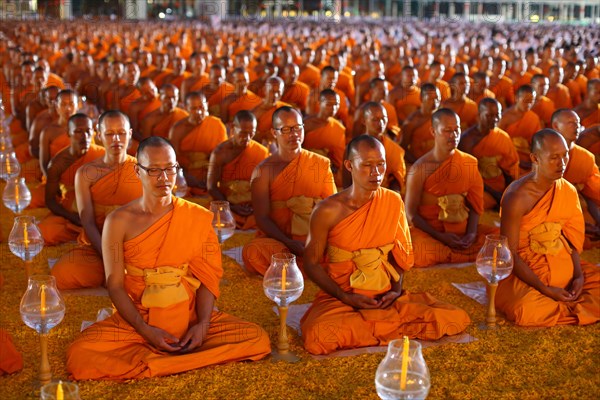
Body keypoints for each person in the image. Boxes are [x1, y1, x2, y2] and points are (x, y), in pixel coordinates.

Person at [66, 136, 271, 380]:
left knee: (257, 338)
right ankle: (171, 358)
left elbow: (207, 278)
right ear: (137, 170)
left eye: (170, 169)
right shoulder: (118, 221)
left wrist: (203, 325)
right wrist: (145, 330)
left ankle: (156, 362)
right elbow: (115, 285)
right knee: (80, 355)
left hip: (188, 314)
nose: (164, 178)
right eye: (154, 170)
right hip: (139, 318)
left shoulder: (196, 216)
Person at [300, 135, 471, 355]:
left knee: (454, 318)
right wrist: (344, 296)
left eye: (381, 164)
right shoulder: (327, 210)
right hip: (342, 296)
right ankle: (386, 327)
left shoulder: (392, 201)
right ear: (350, 165)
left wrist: (396, 290)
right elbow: (311, 262)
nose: (376, 172)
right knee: (319, 336)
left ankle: (378, 325)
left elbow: (398, 254)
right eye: (367, 165)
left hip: (383, 296)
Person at [496, 129, 600, 326]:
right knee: (525, 310)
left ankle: (566, 294)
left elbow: (569, 239)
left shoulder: (567, 190)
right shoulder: (516, 197)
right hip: (526, 273)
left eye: (564, 155)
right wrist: (545, 289)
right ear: (535, 158)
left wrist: (578, 276)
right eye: (554, 157)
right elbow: (510, 254)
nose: (562, 164)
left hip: (562, 262)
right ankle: (555, 299)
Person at [51, 111, 143, 290]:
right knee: (61, 274)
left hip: (136, 246)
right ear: (99, 136)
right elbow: (88, 223)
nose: (116, 139)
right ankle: (118, 278)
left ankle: (122, 278)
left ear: (130, 134)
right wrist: (110, 258)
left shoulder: (142, 170)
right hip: (99, 245)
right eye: (109, 134)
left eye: (121, 133)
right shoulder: (86, 174)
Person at [242, 106, 336, 275]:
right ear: (274, 132)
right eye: (285, 129)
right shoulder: (263, 171)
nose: (294, 134)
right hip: (282, 242)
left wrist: (320, 242)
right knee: (252, 252)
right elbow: (262, 218)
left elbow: (332, 210)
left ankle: (294, 269)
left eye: (298, 128)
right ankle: (303, 268)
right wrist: (289, 242)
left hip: (314, 240)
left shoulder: (319, 164)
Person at [405, 108, 496, 267]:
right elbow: (411, 214)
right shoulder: (420, 168)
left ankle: (459, 249)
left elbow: (475, 205)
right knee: (416, 250)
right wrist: (440, 236)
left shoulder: (469, 162)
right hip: (431, 233)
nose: (454, 135)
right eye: (447, 131)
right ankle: (454, 251)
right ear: (433, 131)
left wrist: (471, 233)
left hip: (462, 229)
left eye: (457, 130)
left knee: (499, 239)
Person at [38, 114, 106, 245]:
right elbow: (50, 201)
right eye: (78, 131)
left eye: (88, 131)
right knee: (44, 232)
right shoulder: (58, 163)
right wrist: (73, 218)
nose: (85, 136)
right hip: (74, 208)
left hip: (100, 207)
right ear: (68, 133)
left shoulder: (103, 155)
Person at [207, 111, 269, 230]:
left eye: (252, 134)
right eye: (243, 133)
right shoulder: (220, 153)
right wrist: (231, 207)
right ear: (232, 128)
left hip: (251, 206)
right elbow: (211, 187)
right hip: (227, 203)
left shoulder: (261, 152)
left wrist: (256, 205)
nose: (247, 138)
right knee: (217, 219)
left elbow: (265, 186)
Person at [459, 98, 519, 209]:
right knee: (473, 201)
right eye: (489, 115)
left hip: (500, 185)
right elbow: (469, 177)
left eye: (498, 115)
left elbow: (510, 169)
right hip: (481, 188)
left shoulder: (502, 136)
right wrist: (495, 195)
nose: (495, 119)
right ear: (479, 115)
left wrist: (509, 191)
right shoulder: (467, 140)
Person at [551, 109, 600, 241]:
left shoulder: (586, 157)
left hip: (575, 207)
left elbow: (590, 194)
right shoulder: (545, 151)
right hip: (549, 208)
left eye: (578, 123)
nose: (576, 126)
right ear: (555, 126)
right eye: (570, 123)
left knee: (590, 230)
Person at [169, 92, 227, 193]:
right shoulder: (177, 130)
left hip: (211, 174)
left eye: (201, 107)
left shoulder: (216, 124)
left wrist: (212, 179)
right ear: (186, 108)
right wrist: (189, 179)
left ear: (207, 105)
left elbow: (223, 157)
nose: (199, 112)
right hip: (186, 177)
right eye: (193, 108)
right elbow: (174, 161)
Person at [302, 89, 346, 180]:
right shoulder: (306, 124)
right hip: (306, 167)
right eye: (329, 104)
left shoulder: (339, 128)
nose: (333, 108)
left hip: (328, 170)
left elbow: (339, 159)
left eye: (336, 104)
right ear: (319, 103)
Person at [498, 85, 542, 175]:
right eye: (525, 101)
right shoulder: (505, 117)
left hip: (528, 157)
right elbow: (498, 142)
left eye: (531, 101)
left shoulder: (533, 117)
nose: (529, 105)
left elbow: (537, 143)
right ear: (517, 98)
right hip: (508, 158)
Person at [38, 89, 78, 177]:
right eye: (63, 104)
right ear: (57, 107)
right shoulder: (48, 132)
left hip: (82, 177)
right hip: (56, 178)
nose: (68, 108)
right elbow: (44, 164)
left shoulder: (85, 129)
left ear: (78, 106)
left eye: (71, 104)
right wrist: (53, 183)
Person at [401, 83, 440, 163]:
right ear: (421, 99)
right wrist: (418, 164)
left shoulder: (442, 117)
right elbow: (403, 147)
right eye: (430, 99)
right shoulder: (412, 121)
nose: (435, 102)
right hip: (419, 162)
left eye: (437, 98)